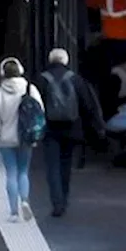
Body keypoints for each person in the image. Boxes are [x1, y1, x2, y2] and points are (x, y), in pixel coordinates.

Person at [34, 48, 101, 217]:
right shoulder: (76, 80)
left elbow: (33, 106)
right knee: (66, 165)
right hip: (72, 128)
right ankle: (64, 198)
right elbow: (87, 106)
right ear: (66, 60)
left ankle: (57, 203)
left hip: (50, 129)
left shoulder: (41, 80)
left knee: (52, 167)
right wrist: (92, 127)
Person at [0, 57, 42, 223]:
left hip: (5, 139)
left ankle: (13, 212)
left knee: (11, 172)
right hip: (26, 137)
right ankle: (24, 200)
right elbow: (40, 110)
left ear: (3, 74)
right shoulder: (30, 89)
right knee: (24, 171)